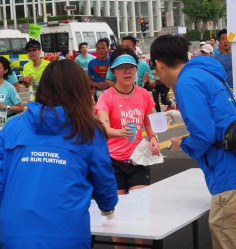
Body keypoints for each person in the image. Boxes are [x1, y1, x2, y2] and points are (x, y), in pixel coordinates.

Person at [150, 34, 236, 249]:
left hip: (235, 188)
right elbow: (219, 122)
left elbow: (204, 136)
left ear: (159, 64)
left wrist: (183, 144)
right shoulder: (207, 73)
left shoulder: (186, 82)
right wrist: (184, 119)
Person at [0, 59, 118, 249]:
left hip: (14, 232)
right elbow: (103, 181)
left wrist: (13, 208)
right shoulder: (88, 131)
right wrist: (108, 208)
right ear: (80, 90)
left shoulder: (12, 127)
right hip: (67, 233)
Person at [96, 47, 160, 249]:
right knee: (119, 214)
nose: (127, 72)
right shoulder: (106, 97)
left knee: (140, 212)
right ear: (113, 72)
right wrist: (120, 132)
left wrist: (153, 138)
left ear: (136, 70)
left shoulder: (143, 94)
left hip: (137, 161)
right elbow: (103, 126)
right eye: (121, 68)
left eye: (131, 68)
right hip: (112, 162)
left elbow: (150, 121)